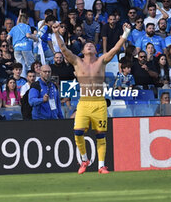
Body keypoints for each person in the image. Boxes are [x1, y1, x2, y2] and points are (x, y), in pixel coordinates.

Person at [53, 21, 131, 174]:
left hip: (99, 103)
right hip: (84, 103)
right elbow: (63, 48)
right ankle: (84, 159)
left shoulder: (101, 61)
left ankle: (101, 166)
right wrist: (56, 33)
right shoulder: (77, 61)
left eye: (92, 45)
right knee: (78, 132)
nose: (89, 46)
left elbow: (115, 48)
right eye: (87, 45)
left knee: (100, 135)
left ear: (96, 50)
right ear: (82, 50)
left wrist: (126, 33)